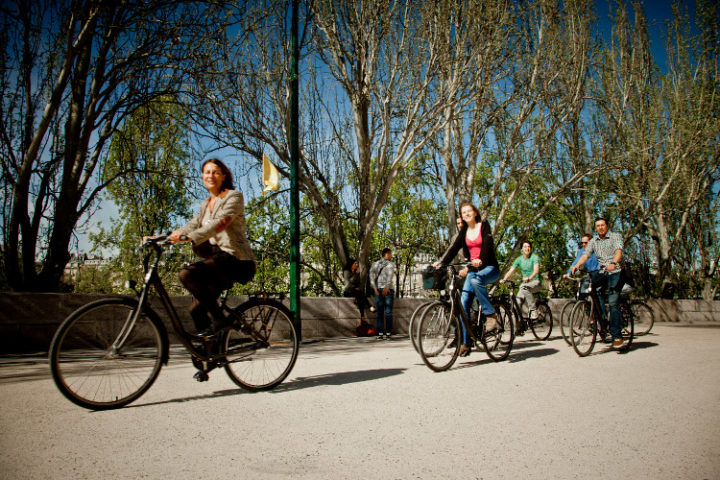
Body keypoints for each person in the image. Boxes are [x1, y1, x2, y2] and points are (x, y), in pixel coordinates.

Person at [168, 158, 256, 336]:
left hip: (236, 259)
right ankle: (213, 354)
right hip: (217, 260)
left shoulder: (234, 196)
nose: (211, 176)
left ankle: (220, 320)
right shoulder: (205, 205)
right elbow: (192, 225)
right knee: (196, 310)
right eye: (207, 172)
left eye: (215, 172)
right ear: (202, 177)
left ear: (224, 176)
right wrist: (165, 237)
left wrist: (190, 237)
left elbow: (220, 223)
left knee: (187, 274)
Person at [434, 203, 500, 357]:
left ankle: (490, 314)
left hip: (489, 268)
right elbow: (454, 248)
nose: (466, 214)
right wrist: (441, 262)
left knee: (476, 280)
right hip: (474, 270)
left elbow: (488, 247)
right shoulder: (464, 231)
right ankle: (466, 343)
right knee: (463, 306)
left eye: (469, 211)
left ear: (475, 212)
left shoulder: (484, 226)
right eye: (463, 212)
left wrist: (481, 260)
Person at [570, 217, 625, 347]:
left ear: (607, 226)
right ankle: (601, 320)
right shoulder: (593, 241)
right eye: (598, 226)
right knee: (591, 289)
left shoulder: (615, 237)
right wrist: (577, 265)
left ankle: (617, 336)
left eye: (602, 225)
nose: (600, 227)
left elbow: (618, 252)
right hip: (602, 272)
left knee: (612, 301)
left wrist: (613, 262)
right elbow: (585, 255)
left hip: (615, 271)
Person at [500, 241, 541, 320]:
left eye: (529, 247)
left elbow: (536, 271)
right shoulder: (519, 259)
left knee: (523, 287)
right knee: (517, 303)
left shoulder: (534, 257)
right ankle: (519, 324)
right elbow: (510, 271)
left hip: (535, 282)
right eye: (525, 247)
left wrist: (529, 278)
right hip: (525, 284)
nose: (527, 248)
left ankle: (533, 310)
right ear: (522, 249)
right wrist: (504, 279)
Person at [370, 248, 395, 339]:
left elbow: (371, 277)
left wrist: (375, 288)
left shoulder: (375, 264)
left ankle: (380, 334)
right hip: (388, 290)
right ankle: (388, 333)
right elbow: (390, 275)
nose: (391, 256)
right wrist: (387, 287)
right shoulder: (391, 264)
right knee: (388, 312)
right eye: (391, 254)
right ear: (387, 254)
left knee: (380, 312)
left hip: (378, 290)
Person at [343, 258, 375, 328]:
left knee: (360, 296)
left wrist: (357, 286)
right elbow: (349, 283)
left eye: (357, 263)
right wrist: (356, 274)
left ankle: (362, 316)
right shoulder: (346, 272)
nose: (357, 265)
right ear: (351, 264)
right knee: (360, 294)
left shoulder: (355, 272)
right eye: (355, 263)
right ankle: (370, 306)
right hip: (347, 291)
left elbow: (358, 283)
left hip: (355, 291)